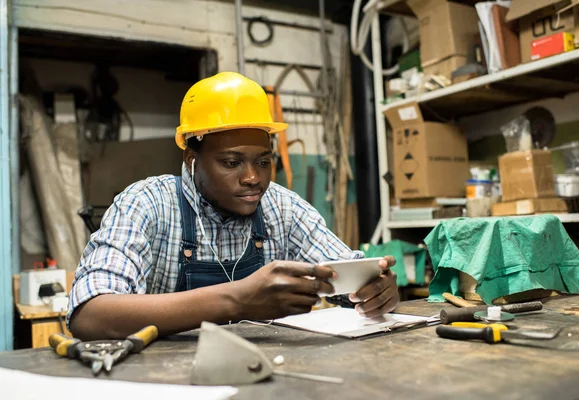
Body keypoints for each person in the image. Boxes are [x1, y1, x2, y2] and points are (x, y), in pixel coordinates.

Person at [68, 72, 399, 340]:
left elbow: (346, 274)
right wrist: (237, 299)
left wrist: (375, 290)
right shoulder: (147, 204)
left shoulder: (282, 208)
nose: (253, 178)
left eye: (264, 162)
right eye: (231, 163)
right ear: (192, 159)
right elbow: (90, 315)